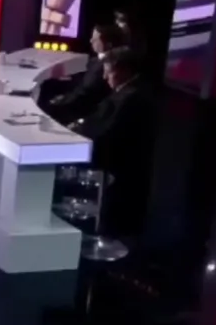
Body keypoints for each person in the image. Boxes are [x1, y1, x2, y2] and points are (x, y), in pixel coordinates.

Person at [70, 48, 155, 235]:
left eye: (108, 72)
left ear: (124, 70)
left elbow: (109, 133)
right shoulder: (123, 91)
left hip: (118, 164)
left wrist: (76, 135)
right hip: (109, 154)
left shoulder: (132, 97)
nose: (104, 77)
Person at [47, 20, 128, 123]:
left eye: (95, 39)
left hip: (80, 111)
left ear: (108, 44)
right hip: (74, 100)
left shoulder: (106, 67)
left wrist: (60, 101)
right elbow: (82, 84)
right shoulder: (95, 60)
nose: (90, 41)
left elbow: (85, 95)